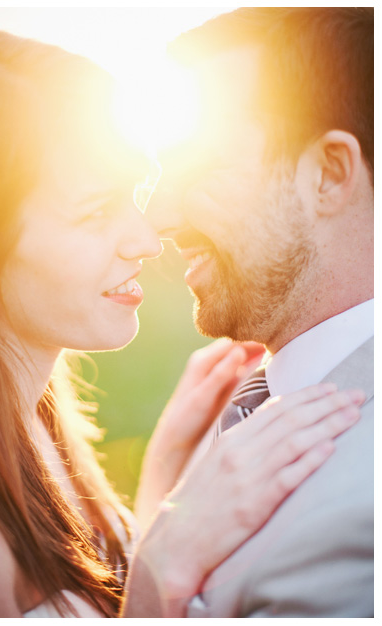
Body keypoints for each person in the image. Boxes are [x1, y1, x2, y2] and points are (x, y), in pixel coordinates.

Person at [0, 27, 365, 618]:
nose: (151, 237)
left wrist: (165, 483)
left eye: (135, 192)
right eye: (95, 211)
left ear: (332, 175)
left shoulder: (45, 434)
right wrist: (162, 565)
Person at [145, 7, 373, 617]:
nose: (160, 219)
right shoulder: (239, 401)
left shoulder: (363, 520)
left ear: (327, 175)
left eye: (199, 168)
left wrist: (153, 582)